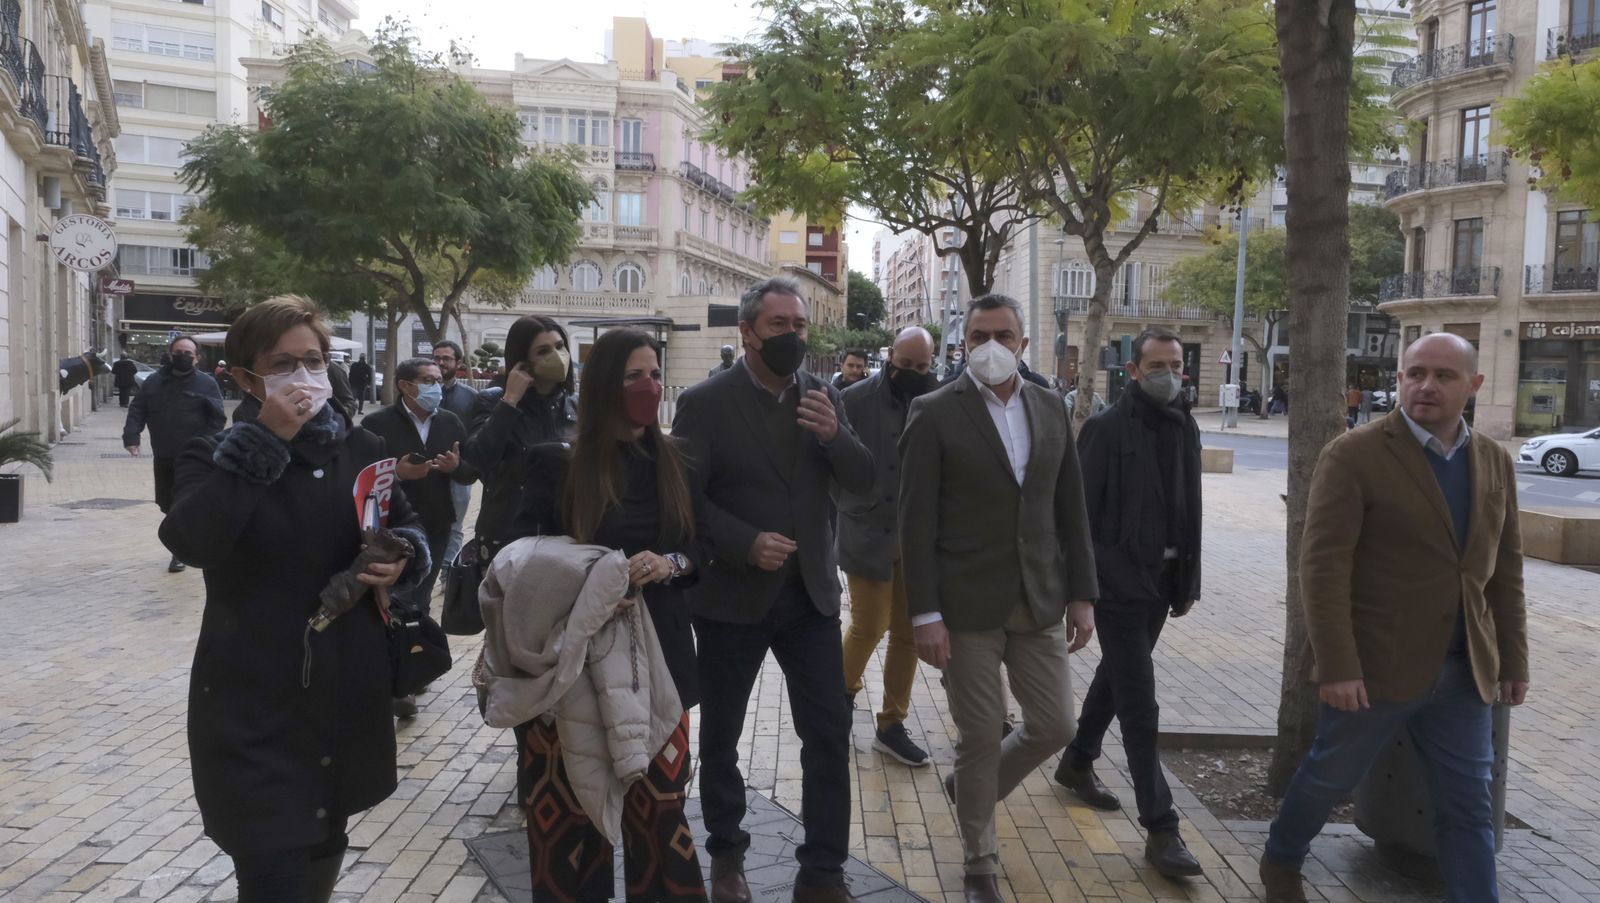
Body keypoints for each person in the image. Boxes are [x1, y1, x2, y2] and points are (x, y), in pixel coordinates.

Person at [159, 295, 430, 903]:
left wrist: (400, 556)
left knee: (320, 857)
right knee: (273, 871)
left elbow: (403, 523)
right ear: (244, 378)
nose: (304, 376)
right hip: (255, 701)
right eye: (284, 364)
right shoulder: (213, 456)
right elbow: (191, 538)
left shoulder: (358, 451)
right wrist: (268, 437)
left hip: (343, 697)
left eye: (314, 360)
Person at [1258, 333, 1529, 903]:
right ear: (1400, 378)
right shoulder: (1355, 453)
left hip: (1464, 674)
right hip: (1373, 668)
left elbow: (1505, 571)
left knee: (1469, 807)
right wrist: (1337, 664)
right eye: (1415, 373)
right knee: (1330, 775)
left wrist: (1513, 659)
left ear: (1474, 385)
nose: (1426, 385)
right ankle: (1282, 857)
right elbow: (1323, 567)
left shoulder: (1494, 461)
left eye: (1444, 376)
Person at [671, 276, 874, 903]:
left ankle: (822, 870)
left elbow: (865, 481)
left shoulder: (825, 396)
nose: (793, 336)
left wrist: (834, 437)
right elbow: (685, 501)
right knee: (722, 735)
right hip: (733, 598)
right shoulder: (704, 403)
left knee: (827, 732)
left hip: (809, 597)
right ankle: (727, 855)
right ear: (749, 332)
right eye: (780, 326)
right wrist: (742, 541)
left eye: (800, 326)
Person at [897, 294, 1097, 903]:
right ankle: (980, 858)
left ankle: (971, 788)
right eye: (978, 334)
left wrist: (1083, 596)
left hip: (1038, 596)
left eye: (1003, 335)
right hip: (964, 606)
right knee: (980, 733)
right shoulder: (933, 412)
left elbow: (1071, 509)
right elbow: (915, 522)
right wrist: (925, 614)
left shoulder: (1049, 406)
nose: (990, 345)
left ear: (1022, 344)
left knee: (1056, 724)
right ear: (963, 342)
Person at [503, 328, 710, 902]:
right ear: (602, 387)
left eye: (653, 374)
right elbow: (517, 558)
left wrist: (671, 563)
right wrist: (591, 581)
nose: (648, 387)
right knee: (567, 827)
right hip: (568, 673)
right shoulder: (556, 464)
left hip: (657, 668)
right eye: (632, 376)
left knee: (662, 818)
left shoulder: (677, 461)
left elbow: (703, 548)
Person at [1052, 328, 1204, 879]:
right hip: (1115, 585)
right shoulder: (1106, 428)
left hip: (1162, 584)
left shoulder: (1185, 426)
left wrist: (1188, 580)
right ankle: (1162, 829)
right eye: (1156, 364)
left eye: (1176, 364)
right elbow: (1078, 518)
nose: (1168, 373)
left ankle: (1077, 761)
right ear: (1133, 370)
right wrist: (1082, 592)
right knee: (1140, 701)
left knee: (1117, 679)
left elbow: (1192, 509)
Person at [837, 327, 937, 768]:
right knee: (868, 625)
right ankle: (837, 703)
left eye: (922, 367)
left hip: (915, 539)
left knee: (909, 634)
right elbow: (830, 462)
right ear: (890, 355)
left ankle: (891, 724)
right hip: (867, 532)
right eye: (905, 363)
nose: (912, 372)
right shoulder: (854, 399)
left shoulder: (936, 404)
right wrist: (850, 506)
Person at [360, 357, 477, 718]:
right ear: (405, 386)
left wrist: (458, 469)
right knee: (391, 600)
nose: (435, 386)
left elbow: (470, 473)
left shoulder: (451, 422)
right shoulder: (376, 425)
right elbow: (362, 477)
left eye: (438, 379)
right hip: (389, 528)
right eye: (427, 380)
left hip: (437, 526)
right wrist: (397, 471)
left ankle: (409, 670)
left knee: (419, 599)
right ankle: (391, 673)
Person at [463, 315, 578, 558]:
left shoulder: (579, 406)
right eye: (544, 351)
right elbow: (477, 458)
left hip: (565, 537)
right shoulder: (495, 401)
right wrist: (510, 401)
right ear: (523, 361)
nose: (557, 356)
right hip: (508, 538)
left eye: (559, 346)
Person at [123, 334, 225, 573]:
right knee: (167, 503)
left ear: (197, 358)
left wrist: (204, 442)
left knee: (186, 502)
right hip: (164, 455)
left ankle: (180, 552)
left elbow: (217, 418)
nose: (182, 357)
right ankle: (183, 543)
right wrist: (131, 437)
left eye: (188, 354)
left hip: (194, 458)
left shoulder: (206, 384)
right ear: (170, 354)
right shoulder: (153, 383)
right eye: (178, 352)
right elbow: (137, 410)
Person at [431, 340, 480, 569]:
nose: (441, 363)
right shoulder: (421, 393)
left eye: (446, 358)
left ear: (458, 363)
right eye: (437, 358)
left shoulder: (471, 397)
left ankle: (447, 574)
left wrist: (465, 465)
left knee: (455, 526)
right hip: (427, 470)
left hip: (459, 474)